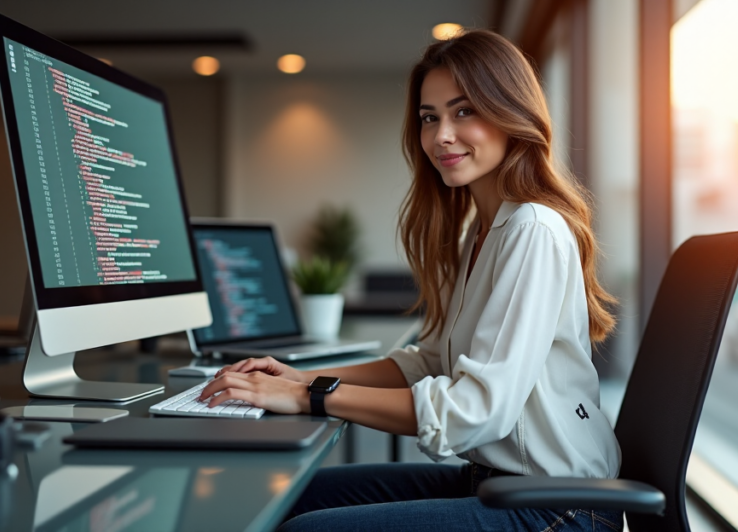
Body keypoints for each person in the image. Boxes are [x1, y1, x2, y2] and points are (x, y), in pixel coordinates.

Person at [197, 29, 623, 532]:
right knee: (291, 496)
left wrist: (308, 397)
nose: (441, 134)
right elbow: (429, 361)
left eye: (464, 111)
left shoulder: (533, 229)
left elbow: (474, 412)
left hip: (559, 506)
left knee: (302, 529)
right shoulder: (484, 233)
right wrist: (298, 377)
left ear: (512, 114)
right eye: (430, 117)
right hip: (495, 480)